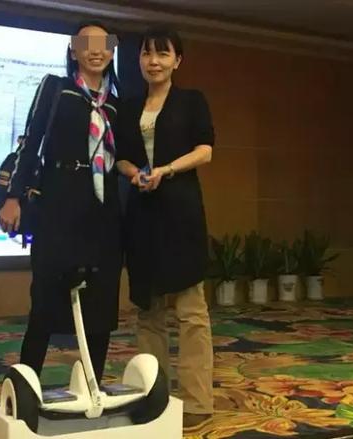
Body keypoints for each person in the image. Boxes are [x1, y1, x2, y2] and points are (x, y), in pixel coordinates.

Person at [0, 21, 122, 383]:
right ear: (73, 49)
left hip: (103, 209)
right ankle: (25, 385)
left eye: (104, 43)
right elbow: (31, 142)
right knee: (45, 300)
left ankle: (92, 386)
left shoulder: (116, 105)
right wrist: (13, 197)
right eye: (86, 43)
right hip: (58, 203)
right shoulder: (55, 88)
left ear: (112, 51)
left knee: (100, 305)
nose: (95, 50)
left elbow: (124, 157)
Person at [116, 26, 215, 428]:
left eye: (162, 54)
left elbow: (205, 151)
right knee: (149, 311)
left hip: (181, 212)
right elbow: (121, 157)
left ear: (177, 61)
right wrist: (134, 173)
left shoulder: (192, 101)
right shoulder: (128, 107)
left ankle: (197, 401)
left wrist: (166, 170)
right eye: (146, 54)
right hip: (142, 213)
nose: (153, 61)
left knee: (191, 312)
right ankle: (153, 396)